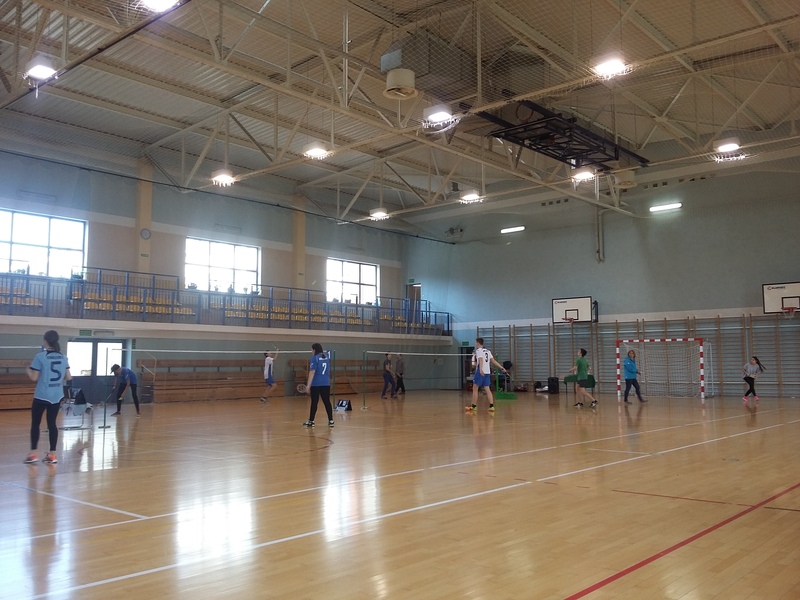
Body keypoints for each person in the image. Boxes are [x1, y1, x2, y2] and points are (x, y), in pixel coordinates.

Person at [24, 330, 72, 464]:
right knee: (52, 424)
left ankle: (33, 454)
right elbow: (69, 377)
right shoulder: (63, 357)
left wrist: (28, 370)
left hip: (42, 395)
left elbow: (34, 378)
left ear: (45, 341)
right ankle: (52, 455)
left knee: (36, 423)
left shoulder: (40, 357)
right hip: (56, 395)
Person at [466, 337, 507, 413]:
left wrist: (480, 369)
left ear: (478, 343)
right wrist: (502, 368)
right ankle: (491, 406)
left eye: (476, 342)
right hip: (487, 372)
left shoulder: (478, 350)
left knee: (475, 388)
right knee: (487, 389)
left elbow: (481, 359)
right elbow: (493, 361)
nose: (475, 344)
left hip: (480, 372)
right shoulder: (488, 351)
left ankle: (473, 406)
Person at [303, 343, 334, 428]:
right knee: (327, 401)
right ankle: (331, 420)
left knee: (314, 402)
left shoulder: (314, 358)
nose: (311, 351)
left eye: (312, 349)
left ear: (314, 350)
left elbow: (312, 372)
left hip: (316, 383)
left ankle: (311, 421)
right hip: (326, 383)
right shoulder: (326, 357)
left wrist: (308, 385)